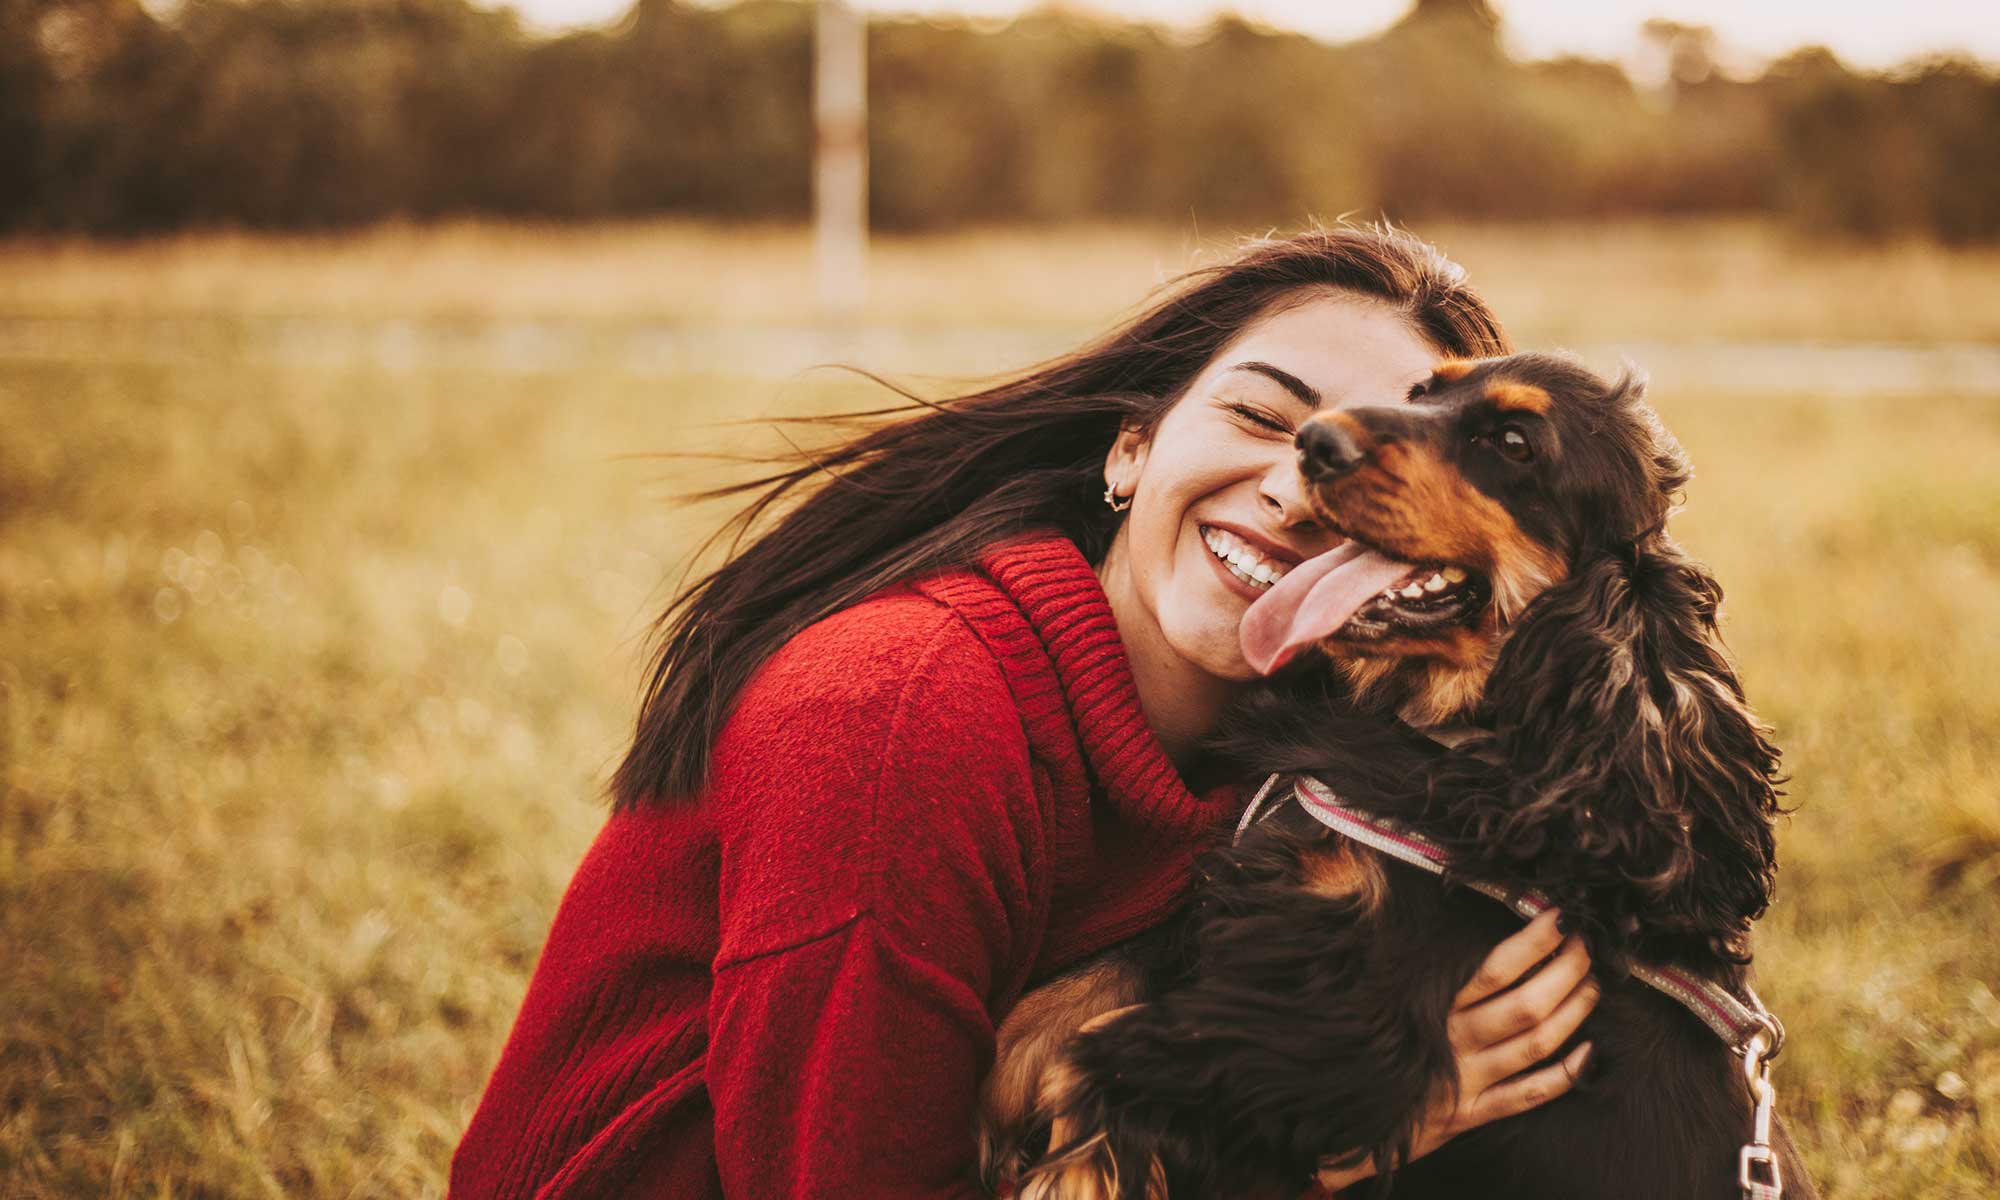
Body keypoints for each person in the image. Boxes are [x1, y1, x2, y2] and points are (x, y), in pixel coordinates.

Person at [451, 226, 1600, 1199]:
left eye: (1367, 469)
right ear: (1132, 442)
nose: (1301, 489)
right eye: (1264, 417)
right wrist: (1351, 1136)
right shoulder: (902, 713)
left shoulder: (1329, 764)